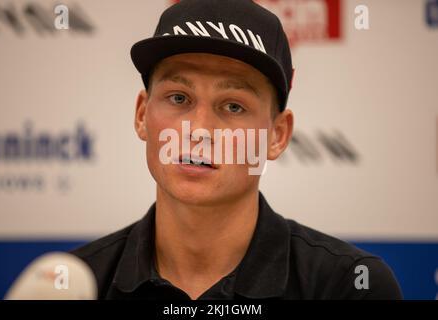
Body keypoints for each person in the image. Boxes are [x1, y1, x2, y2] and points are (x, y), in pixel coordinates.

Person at [71, 0, 402, 300]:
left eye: (233, 106)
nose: (198, 130)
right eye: (178, 98)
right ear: (142, 114)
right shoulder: (78, 286)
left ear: (277, 135)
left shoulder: (349, 287)